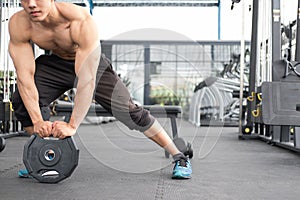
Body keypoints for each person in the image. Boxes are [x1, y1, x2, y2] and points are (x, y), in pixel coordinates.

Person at [8, 0, 192, 179]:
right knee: (20, 102)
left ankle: (179, 157)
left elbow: (86, 81)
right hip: (54, 65)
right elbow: (24, 77)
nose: (31, 4)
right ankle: (42, 155)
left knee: (129, 112)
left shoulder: (80, 21)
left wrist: (72, 126)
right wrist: (38, 121)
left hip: (92, 65)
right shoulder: (19, 24)